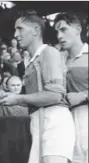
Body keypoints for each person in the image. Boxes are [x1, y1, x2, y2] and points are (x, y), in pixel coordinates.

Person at [0, 10, 75, 163]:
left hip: (54, 121)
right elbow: (35, 97)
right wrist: (9, 98)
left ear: (36, 31)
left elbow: (55, 95)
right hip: (38, 121)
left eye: (20, 29)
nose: (16, 35)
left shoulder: (49, 52)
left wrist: (17, 98)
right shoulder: (32, 60)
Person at [54, 12, 88, 163]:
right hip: (65, 119)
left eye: (63, 30)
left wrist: (84, 95)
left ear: (78, 29)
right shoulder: (58, 59)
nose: (59, 36)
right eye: (57, 32)